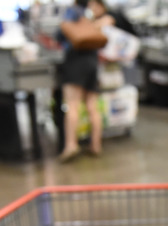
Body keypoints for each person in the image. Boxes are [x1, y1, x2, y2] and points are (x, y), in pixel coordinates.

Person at [58, 0, 112, 162]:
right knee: (92, 106)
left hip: (76, 61)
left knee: (72, 105)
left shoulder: (72, 12)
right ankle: (96, 145)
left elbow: (59, 34)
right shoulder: (92, 14)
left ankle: (71, 145)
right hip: (92, 61)